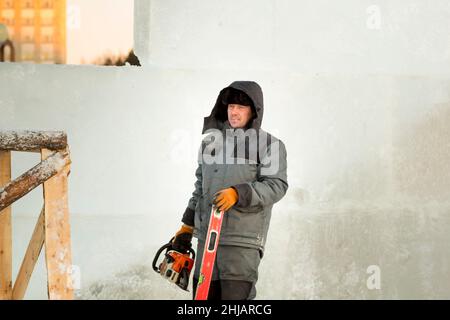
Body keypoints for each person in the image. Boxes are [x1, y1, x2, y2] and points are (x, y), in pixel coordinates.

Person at [172, 81, 288, 300]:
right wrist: (187, 226)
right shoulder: (210, 144)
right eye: (231, 106)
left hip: (240, 243)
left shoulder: (269, 145)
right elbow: (200, 188)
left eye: (241, 107)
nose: (234, 112)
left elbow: (277, 185)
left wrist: (238, 193)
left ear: (254, 111)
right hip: (207, 240)